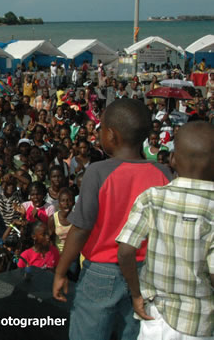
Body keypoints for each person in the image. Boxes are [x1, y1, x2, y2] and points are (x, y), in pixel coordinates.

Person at [52, 98, 173, 340]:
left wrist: (61, 271)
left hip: (102, 272)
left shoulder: (98, 172)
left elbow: (81, 228)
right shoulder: (163, 173)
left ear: (111, 134)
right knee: (133, 333)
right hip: (147, 273)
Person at [116, 121, 213, 339]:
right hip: (198, 322)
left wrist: (136, 294)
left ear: (173, 160)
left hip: (155, 318)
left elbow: (125, 250)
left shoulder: (152, 197)